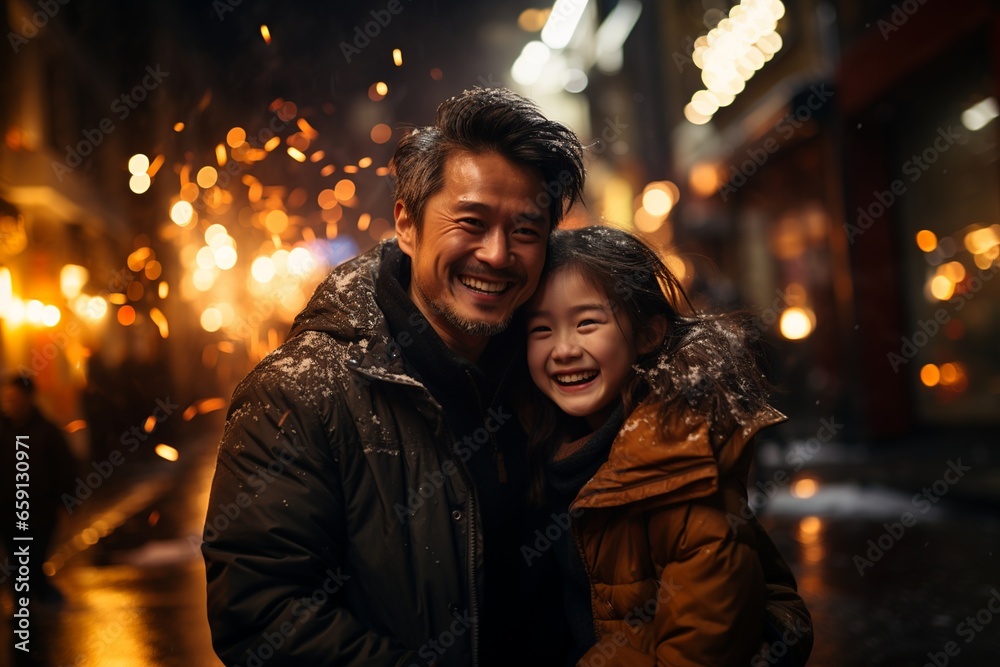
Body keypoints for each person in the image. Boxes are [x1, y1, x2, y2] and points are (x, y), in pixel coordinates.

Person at [201, 87, 586, 666]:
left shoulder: (564, 373)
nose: (498, 254)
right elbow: (261, 613)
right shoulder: (302, 392)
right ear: (406, 223)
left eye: (526, 231)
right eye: (471, 222)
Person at [520, 225, 813, 666]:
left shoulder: (675, 460)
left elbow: (706, 639)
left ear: (648, 334)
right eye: (541, 330)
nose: (563, 349)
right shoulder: (544, 447)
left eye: (587, 323)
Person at [0, 374, 76, 608]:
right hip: (8, 513)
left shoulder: (47, 432)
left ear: (27, 399)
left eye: (14, 398)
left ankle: (32, 601)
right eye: (6, 398)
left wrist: (67, 504)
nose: (8, 403)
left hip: (40, 513)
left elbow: (65, 470)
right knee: (17, 560)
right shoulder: (2, 432)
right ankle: (29, 604)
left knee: (32, 559)